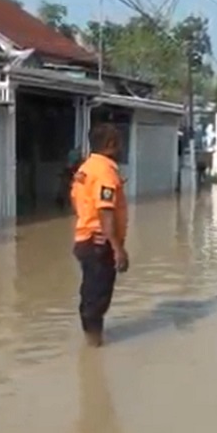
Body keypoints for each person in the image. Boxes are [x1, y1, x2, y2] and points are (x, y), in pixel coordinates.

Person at [71, 123, 129, 347]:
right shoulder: (105, 172)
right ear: (110, 145)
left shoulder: (85, 168)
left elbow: (77, 201)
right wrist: (118, 248)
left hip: (86, 239)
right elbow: (105, 211)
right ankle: (93, 347)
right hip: (99, 242)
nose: (122, 148)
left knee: (91, 293)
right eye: (119, 143)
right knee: (97, 296)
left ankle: (92, 342)